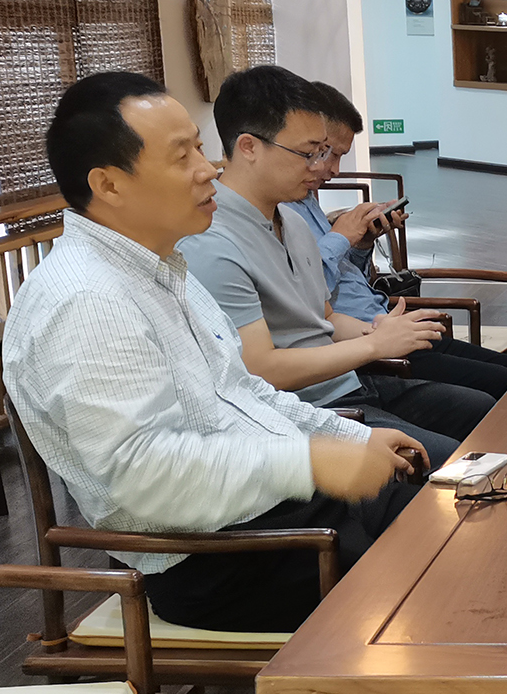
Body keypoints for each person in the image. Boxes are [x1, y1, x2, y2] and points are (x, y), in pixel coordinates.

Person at [1, 71, 498, 694]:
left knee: (436, 507)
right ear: (109, 183)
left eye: (198, 148)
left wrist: (351, 433)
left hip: (250, 511)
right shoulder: (88, 300)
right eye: (181, 156)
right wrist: (313, 460)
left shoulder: (162, 269)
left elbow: (246, 393)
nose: (207, 169)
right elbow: (141, 476)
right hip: (200, 557)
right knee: (418, 551)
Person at [177, 65, 491, 467]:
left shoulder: (291, 220)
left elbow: (324, 318)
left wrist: (379, 329)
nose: (321, 167)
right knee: (451, 461)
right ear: (249, 147)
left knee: (484, 409)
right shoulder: (210, 242)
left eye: (323, 152)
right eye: (309, 153)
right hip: (302, 411)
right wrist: (373, 345)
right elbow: (260, 369)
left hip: (350, 383)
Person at [284, 81, 507, 400]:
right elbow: (306, 295)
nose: (332, 169)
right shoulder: (279, 213)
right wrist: (340, 237)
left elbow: (344, 278)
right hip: (364, 347)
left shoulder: (305, 201)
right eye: (323, 154)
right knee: (501, 384)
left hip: (386, 324)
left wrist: (360, 244)